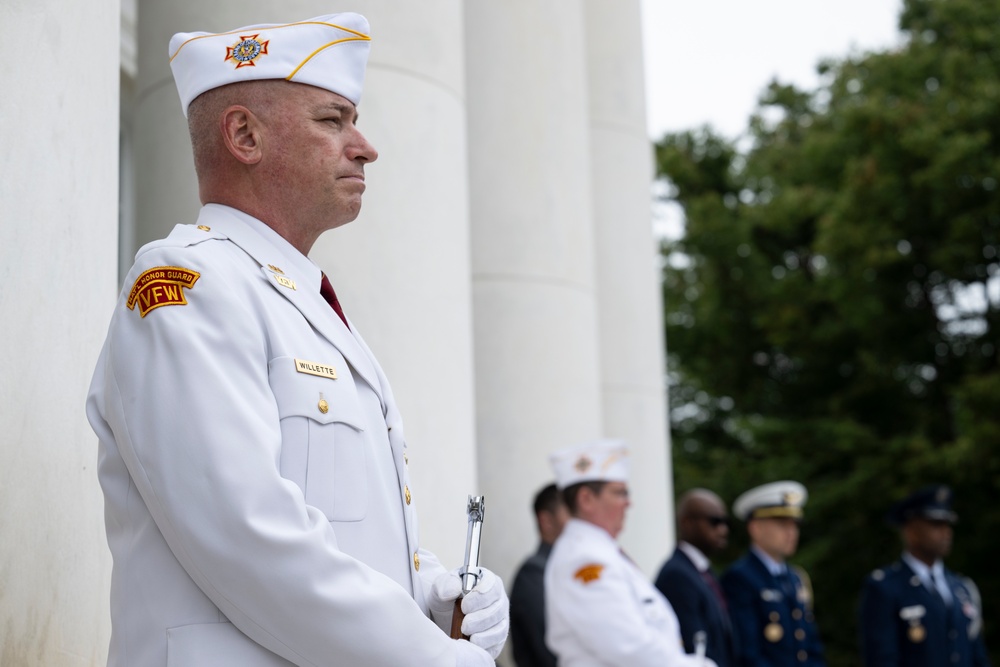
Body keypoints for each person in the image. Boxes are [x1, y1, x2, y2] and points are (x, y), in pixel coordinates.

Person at [86, 13, 507, 667]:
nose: (365, 145)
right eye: (332, 120)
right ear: (245, 135)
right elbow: (246, 533)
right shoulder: (185, 283)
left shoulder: (299, 305)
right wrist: (430, 657)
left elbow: (336, 531)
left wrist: (433, 595)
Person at [544, 439, 715, 667]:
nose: (628, 503)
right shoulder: (585, 559)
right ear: (586, 499)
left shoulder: (598, 552)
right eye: (619, 493)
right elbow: (628, 647)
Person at [859, 485, 990, 667]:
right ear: (911, 531)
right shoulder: (885, 588)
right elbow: (882, 659)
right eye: (936, 524)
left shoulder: (962, 588)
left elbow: (977, 656)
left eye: (947, 524)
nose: (946, 532)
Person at [721, 481, 824, 667]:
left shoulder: (795, 578)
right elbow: (748, 653)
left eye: (794, 525)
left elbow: (810, 647)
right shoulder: (740, 578)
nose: (791, 532)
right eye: (782, 524)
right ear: (755, 528)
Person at [655, 489, 736, 667]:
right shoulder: (676, 576)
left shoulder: (703, 572)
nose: (723, 529)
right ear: (686, 523)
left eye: (725, 522)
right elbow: (694, 647)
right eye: (714, 521)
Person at [509, 483, 570, 667]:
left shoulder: (568, 569)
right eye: (570, 512)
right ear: (546, 521)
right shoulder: (533, 575)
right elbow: (553, 653)